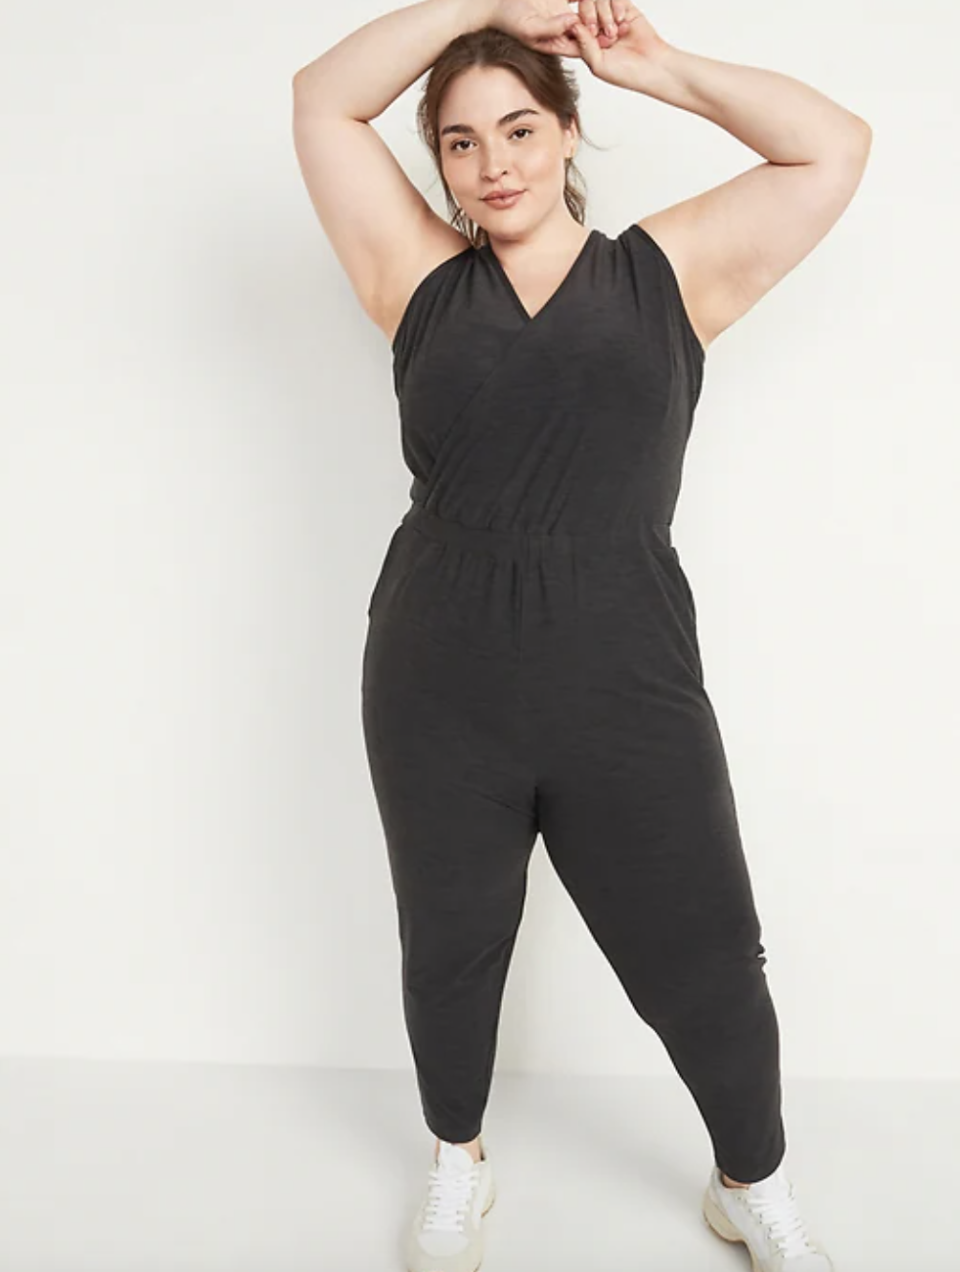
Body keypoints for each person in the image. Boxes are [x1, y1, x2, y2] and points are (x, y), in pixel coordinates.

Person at [293, 2, 871, 1269]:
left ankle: (749, 1180)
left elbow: (832, 145)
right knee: (450, 946)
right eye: (458, 142)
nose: (492, 163)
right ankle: (459, 1162)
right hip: (439, 676)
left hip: (627, 675)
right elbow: (322, 99)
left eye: (517, 128)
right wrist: (483, 4)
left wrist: (658, 66)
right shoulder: (414, 280)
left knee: (708, 952)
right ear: (438, 167)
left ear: (565, 136)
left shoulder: (666, 273)